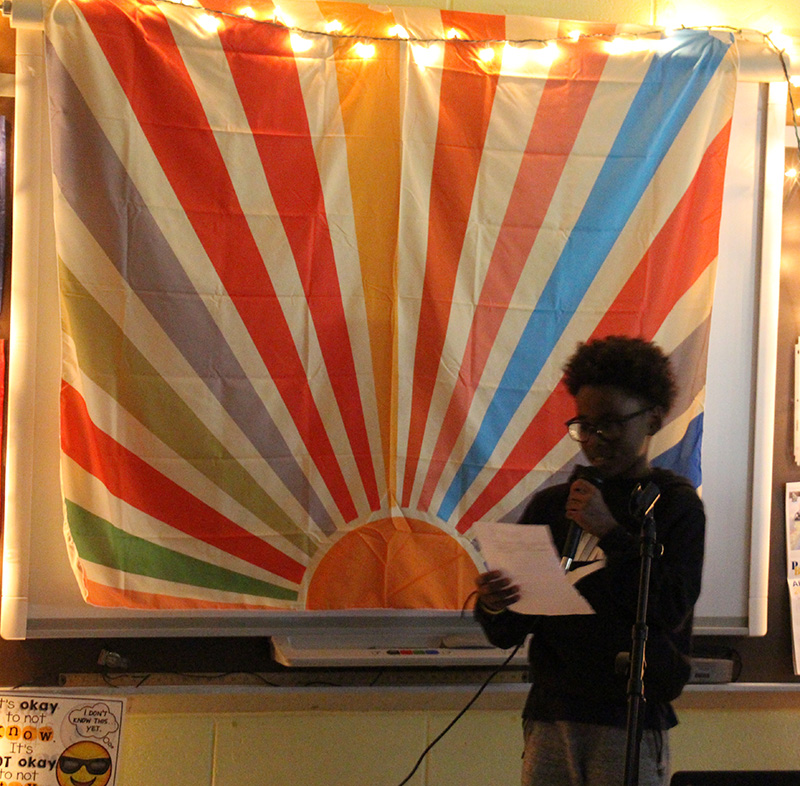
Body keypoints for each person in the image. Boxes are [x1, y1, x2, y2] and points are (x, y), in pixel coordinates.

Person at [474, 335, 705, 786]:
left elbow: (668, 606)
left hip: (630, 718)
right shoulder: (553, 507)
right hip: (552, 713)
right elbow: (507, 632)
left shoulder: (674, 507)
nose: (597, 441)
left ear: (654, 419)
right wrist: (495, 602)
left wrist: (612, 534)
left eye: (612, 425)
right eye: (585, 426)